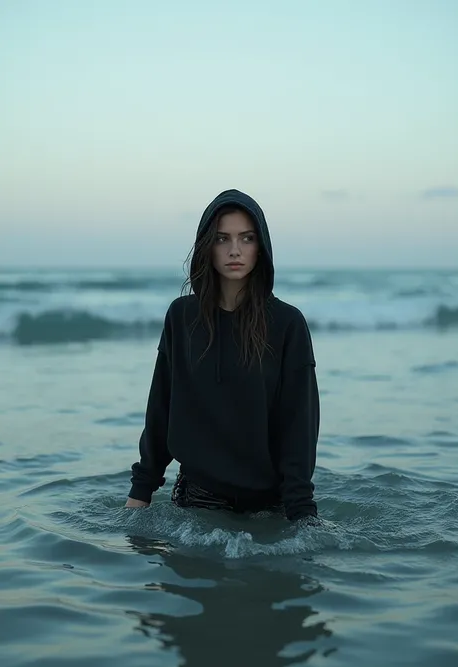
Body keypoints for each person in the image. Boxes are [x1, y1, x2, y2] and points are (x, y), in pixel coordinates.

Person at [125, 189, 320, 522]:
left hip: (268, 506)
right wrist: (141, 492)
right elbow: (161, 407)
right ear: (206, 246)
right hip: (197, 502)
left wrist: (302, 514)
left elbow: (298, 425)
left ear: (261, 247)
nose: (234, 250)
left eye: (246, 238)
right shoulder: (182, 317)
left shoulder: (288, 324)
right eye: (222, 238)